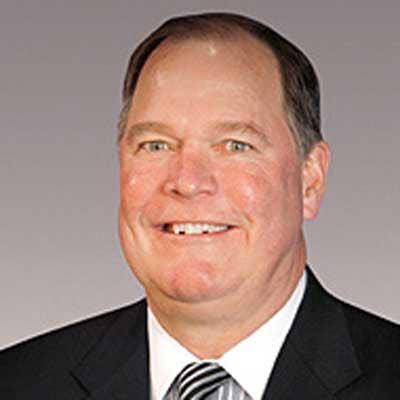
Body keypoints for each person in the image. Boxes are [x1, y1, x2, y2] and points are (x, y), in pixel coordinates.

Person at [1, 12, 399, 399]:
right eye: (156, 145)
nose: (188, 182)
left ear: (310, 180)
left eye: (235, 145)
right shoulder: (17, 382)